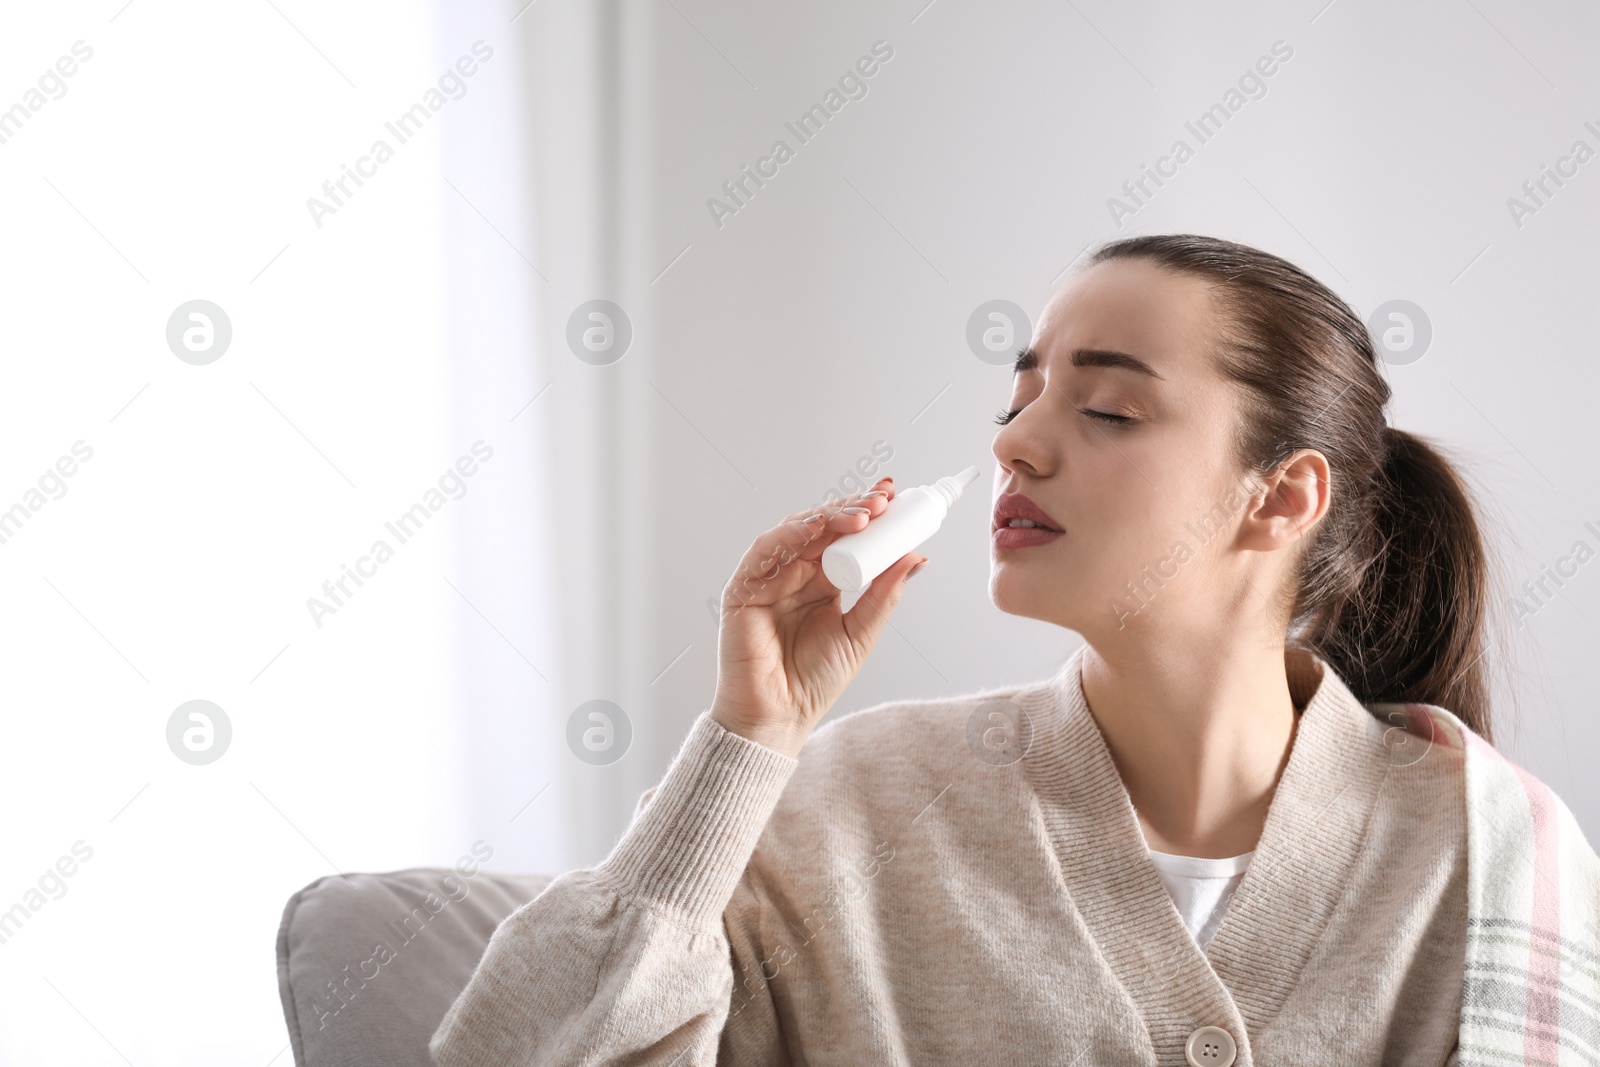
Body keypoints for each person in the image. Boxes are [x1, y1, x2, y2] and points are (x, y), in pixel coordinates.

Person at [429, 235, 1567, 1066]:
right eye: (1020, 394)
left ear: (1280, 499)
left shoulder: (1476, 842)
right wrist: (745, 740)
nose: (1013, 442)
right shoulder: (842, 810)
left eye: (1107, 410)